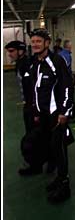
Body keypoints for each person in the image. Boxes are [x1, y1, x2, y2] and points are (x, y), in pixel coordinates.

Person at [30, 28, 74, 203]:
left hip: (57, 115)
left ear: (47, 43)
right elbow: (36, 89)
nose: (35, 44)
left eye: (38, 41)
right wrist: (36, 111)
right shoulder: (35, 62)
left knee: (60, 149)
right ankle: (59, 178)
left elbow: (66, 87)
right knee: (52, 148)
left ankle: (65, 185)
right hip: (44, 115)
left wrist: (64, 112)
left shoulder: (57, 61)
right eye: (33, 41)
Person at [5, 40, 37, 174]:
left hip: (33, 106)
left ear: (21, 51)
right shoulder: (20, 64)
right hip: (29, 105)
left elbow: (33, 87)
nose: (9, 54)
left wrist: (34, 109)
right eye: (8, 51)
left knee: (32, 136)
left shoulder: (26, 65)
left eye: (12, 51)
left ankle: (34, 165)